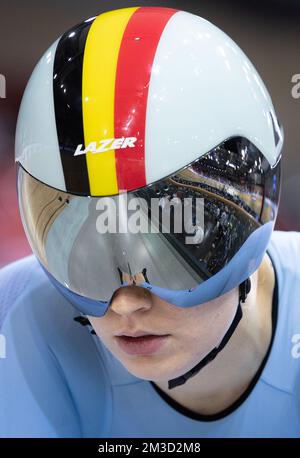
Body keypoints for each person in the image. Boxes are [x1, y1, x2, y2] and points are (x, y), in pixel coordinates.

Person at [0, 6, 299, 438]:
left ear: (254, 211)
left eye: (177, 239)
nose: (125, 303)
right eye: (88, 256)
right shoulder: (15, 321)